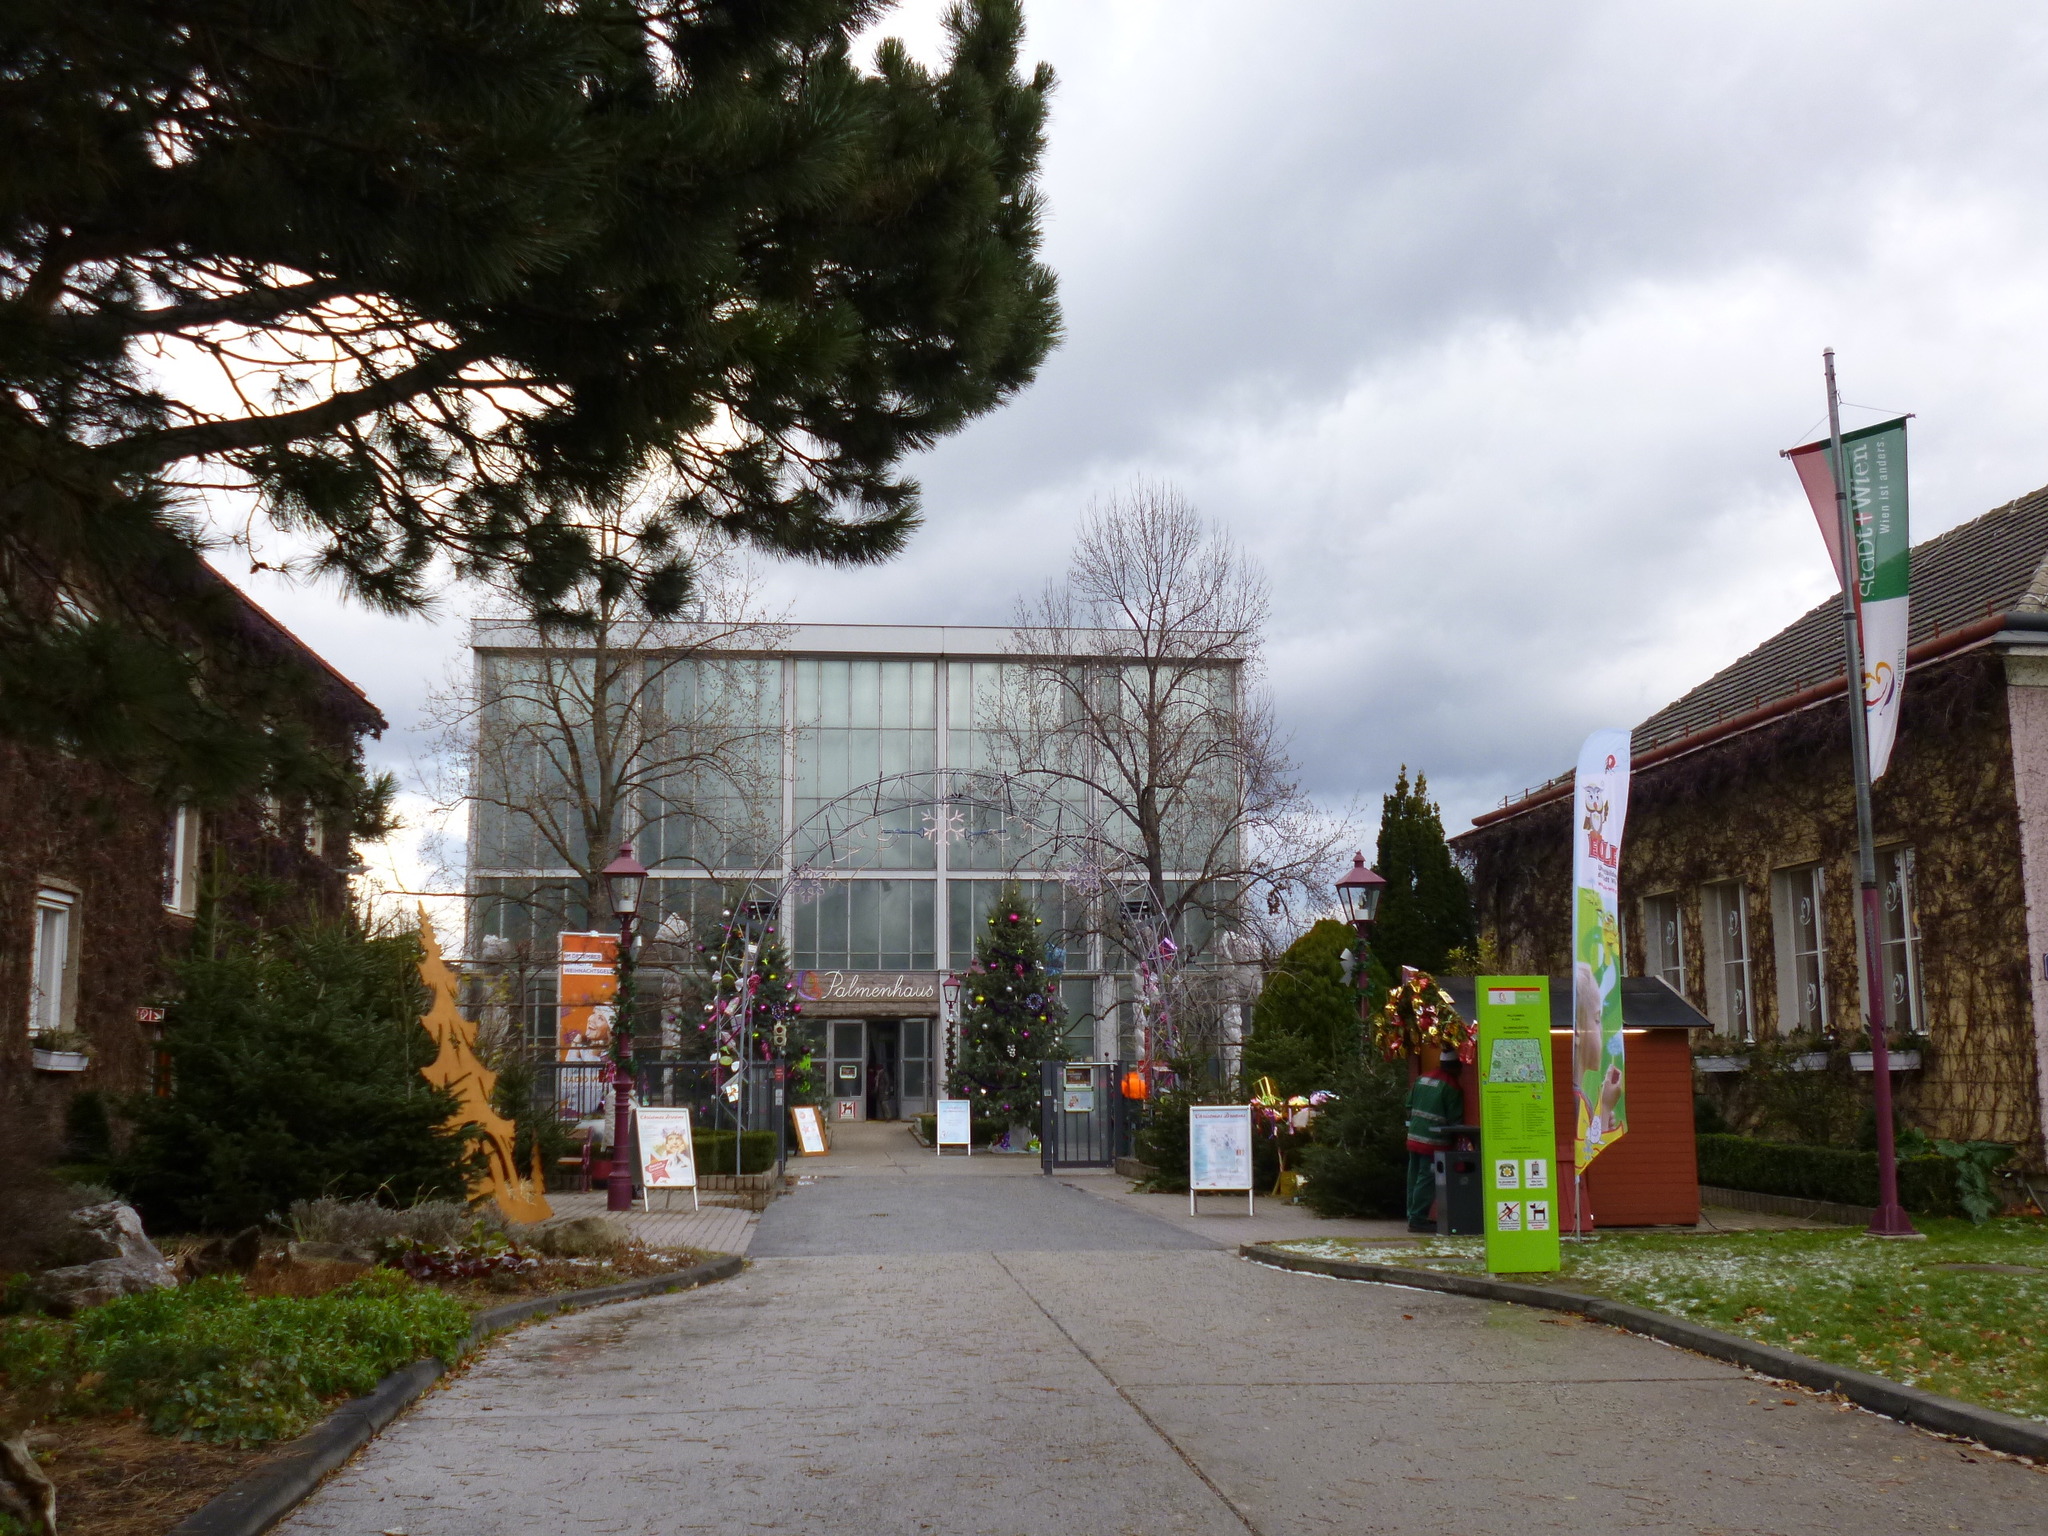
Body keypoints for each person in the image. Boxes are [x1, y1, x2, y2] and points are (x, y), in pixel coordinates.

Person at [1405, 1051, 1464, 1232]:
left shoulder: (1422, 1079)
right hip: (1433, 1142)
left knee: (1413, 1177)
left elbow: (1409, 1105)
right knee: (1426, 1180)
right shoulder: (1451, 1086)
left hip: (1414, 1137)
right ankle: (1417, 1219)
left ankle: (1412, 1214)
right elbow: (1455, 1119)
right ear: (1455, 1066)